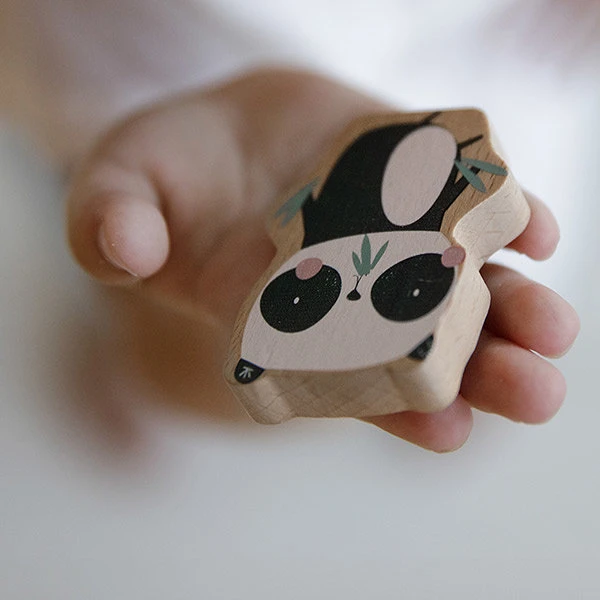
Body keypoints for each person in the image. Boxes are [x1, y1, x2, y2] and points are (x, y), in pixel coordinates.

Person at [3, 2, 582, 451]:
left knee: (497, 343)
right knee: (157, 291)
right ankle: (134, 366)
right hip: (162, 69)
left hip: (485, 58)